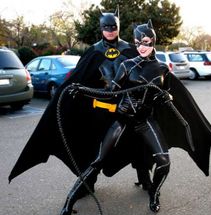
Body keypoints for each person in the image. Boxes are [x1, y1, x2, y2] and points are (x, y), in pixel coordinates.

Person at [59, 20, 211, 215]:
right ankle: (70, 200)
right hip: (122, 120)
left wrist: (166, 96)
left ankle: (154, 193)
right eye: (137, 42)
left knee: (164, 162)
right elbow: (110, 92)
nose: (141, 46)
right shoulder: (126, 65)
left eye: (146, 42)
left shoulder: (162, 69)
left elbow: (169, 93)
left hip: (145, 121)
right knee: (97, 161)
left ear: (153, 42)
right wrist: (84, 91)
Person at [8, 9, 153, 203]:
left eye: (113, 27)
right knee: (93, 147)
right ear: (101, 28)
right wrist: (65, 93)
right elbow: (79, 77)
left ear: (118, 27)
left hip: (126, 108)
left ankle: (144, 178)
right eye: (106, 27)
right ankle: (88, 184)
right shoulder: (93, 51)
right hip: (100, 110)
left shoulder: (130, 49)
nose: (110, 31)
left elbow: (146, 72)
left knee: (137, 141)